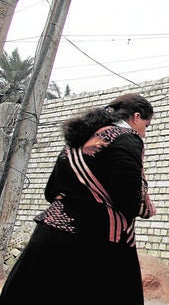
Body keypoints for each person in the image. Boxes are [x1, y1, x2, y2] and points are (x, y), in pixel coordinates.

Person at [0, 93, 156, 305]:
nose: (144, 134)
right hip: (95, 246)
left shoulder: (79, 141)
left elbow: (50, 191)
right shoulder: (126, 138)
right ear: (136, 117)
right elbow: (128, 198)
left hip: (48, 238)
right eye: (146, 126)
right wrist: (145, 201)